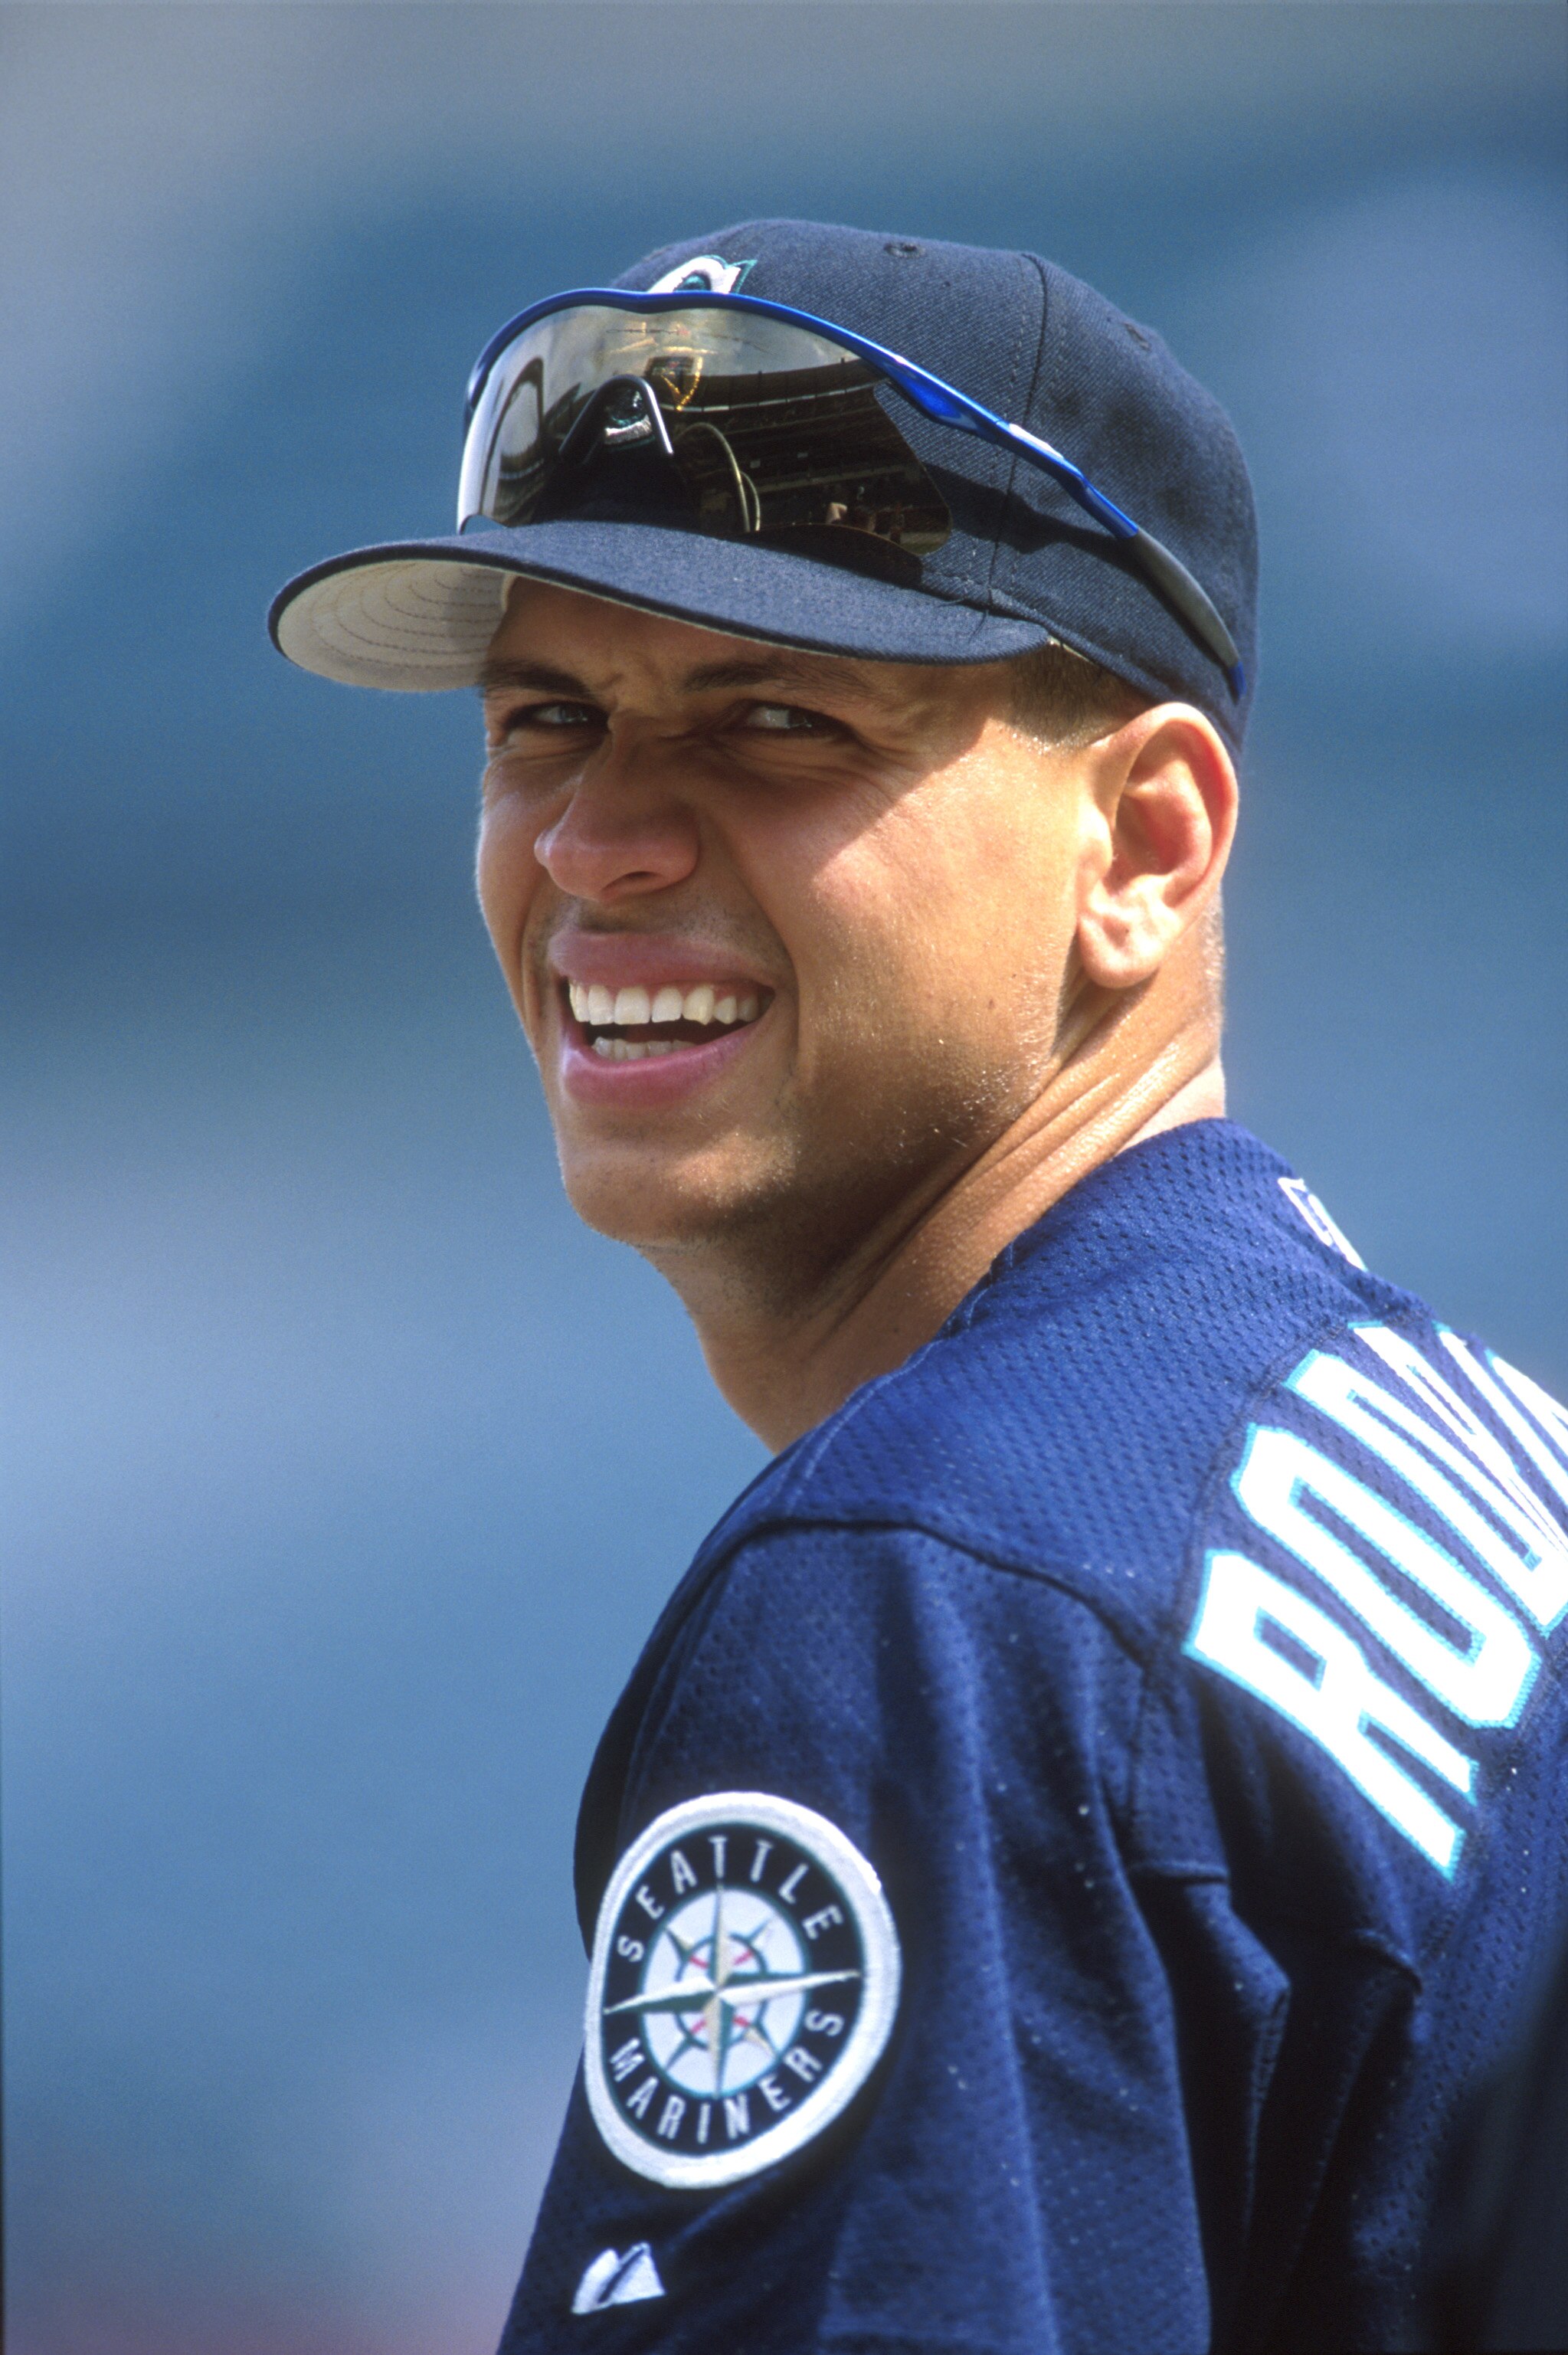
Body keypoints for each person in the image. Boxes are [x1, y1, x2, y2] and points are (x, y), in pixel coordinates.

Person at [270, 221, 1568, 2353]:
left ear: (1144, 846)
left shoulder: (930, 1596)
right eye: (546, 718)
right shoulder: (1464, 1448)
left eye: (775, 720)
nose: (596, 839)